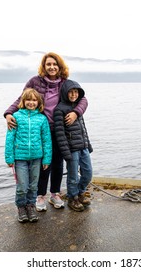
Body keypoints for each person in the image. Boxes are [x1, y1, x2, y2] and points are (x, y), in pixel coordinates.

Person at [4, 52, 88, 211]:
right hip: (41, 128)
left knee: (57, 163)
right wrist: (8, 113)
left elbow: (82, 99)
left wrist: (76, 112)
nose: (52, 67)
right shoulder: (35, 82)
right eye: (48, 64)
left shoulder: (65, 83)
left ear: (59, 66)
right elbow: (22, 98)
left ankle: (55, 194)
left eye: (55, 64)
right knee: (43, 164)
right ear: (44, 66)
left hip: (60, 129)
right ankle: (40, 195)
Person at [5, 88, 52, 222]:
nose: (31, 102)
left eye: (34, 100)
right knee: (22, 186)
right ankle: (21, 207)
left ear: (38, 102)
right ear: (23, 101)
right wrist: (9, 157)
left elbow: (46, 140)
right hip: (20, 158)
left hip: (37, 158)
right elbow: (10, 138)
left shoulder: (42, 119)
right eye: (28, 100)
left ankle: (30, 206)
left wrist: (47, 159)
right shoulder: (16, 116)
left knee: (33, 185)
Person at [54, 79, 93, 212]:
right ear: (65, 93)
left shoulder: (78, 109)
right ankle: (73, 198)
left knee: (88, 173)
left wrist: (88, 145)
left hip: (83, 147)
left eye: (76, 92)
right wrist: (66, 153)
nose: (73, 94)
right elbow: (60, 134)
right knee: (73, 177)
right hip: (71, 150)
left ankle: (80, 192)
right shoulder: (59, 109)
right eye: (71, 92)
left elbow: (83, 129)